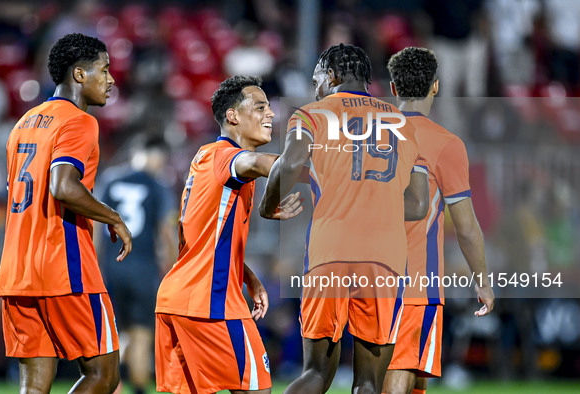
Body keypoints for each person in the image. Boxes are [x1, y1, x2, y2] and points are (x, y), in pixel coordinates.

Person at [259, 43, 429, 394]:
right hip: (385, 258)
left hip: (330, 251)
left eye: (316, 79)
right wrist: (375, 205)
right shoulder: (404, 124)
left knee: (317, 372)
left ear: (331, 76)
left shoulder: (312, 114)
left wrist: (268, 205)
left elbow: (289, 164)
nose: (314, 87)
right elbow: (419, 205)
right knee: (368, 381)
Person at [0, 33, 132, 393]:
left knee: (34, 387)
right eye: (104, 69)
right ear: (79, 75)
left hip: (18, 271)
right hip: (64, 267)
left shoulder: (23, 123)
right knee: (103, 374)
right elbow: (63, 186)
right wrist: (113, 217)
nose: (112, 78)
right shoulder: (79, 121)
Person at [155, 76, 302, 394]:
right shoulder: (228, 157)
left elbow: (201, 238)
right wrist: (269, 203)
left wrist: (245, 275)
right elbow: (276, 165)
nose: (270, 114)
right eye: (260, 106)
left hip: (176, 300)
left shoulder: (204, 157)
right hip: (212, 303)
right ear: (233, 116)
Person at [383, 47, 495, 394]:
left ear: (393, 88)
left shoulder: (365, 137)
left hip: (365, 276)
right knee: (402, 369)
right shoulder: (446, 144)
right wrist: (483, 281)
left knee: (408, 376)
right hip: (415, 280)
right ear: (435, 87)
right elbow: (466, 227)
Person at [98, 134, 177, 394]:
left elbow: (96, 225)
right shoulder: (157, 185)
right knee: (142, 334)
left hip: (112, 267)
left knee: (114, 335)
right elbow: (166, 231)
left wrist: (96, 266)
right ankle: (139, 390)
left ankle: (108, 383)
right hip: (143, 268)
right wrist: (174, 266)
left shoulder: (110, 179)